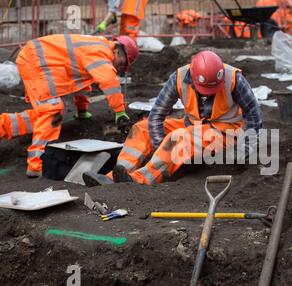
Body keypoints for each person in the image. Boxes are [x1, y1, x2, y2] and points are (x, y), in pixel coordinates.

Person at [83, 50, 262, 187]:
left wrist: (246, 148)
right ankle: (114, 176)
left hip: (225, 131)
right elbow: (157, 115)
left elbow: (254, 115)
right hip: (192, 124)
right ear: (192, 77)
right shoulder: (179, 77)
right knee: (141, 127)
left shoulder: (234, 79)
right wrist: (159, 145)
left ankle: (139, 180)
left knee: (178, 138)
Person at [0, 34, 139, 177]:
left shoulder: (97, 49)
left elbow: (80, 83)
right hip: (36, 60)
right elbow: (110, 82)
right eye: (122, 63)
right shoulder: (101, 53)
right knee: (51, 110)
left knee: (44, 114)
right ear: (117, 50)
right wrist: (120, 111)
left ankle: (2, 126)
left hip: (38, 59)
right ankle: (37, 164)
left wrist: (82, 109)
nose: (119, 68)